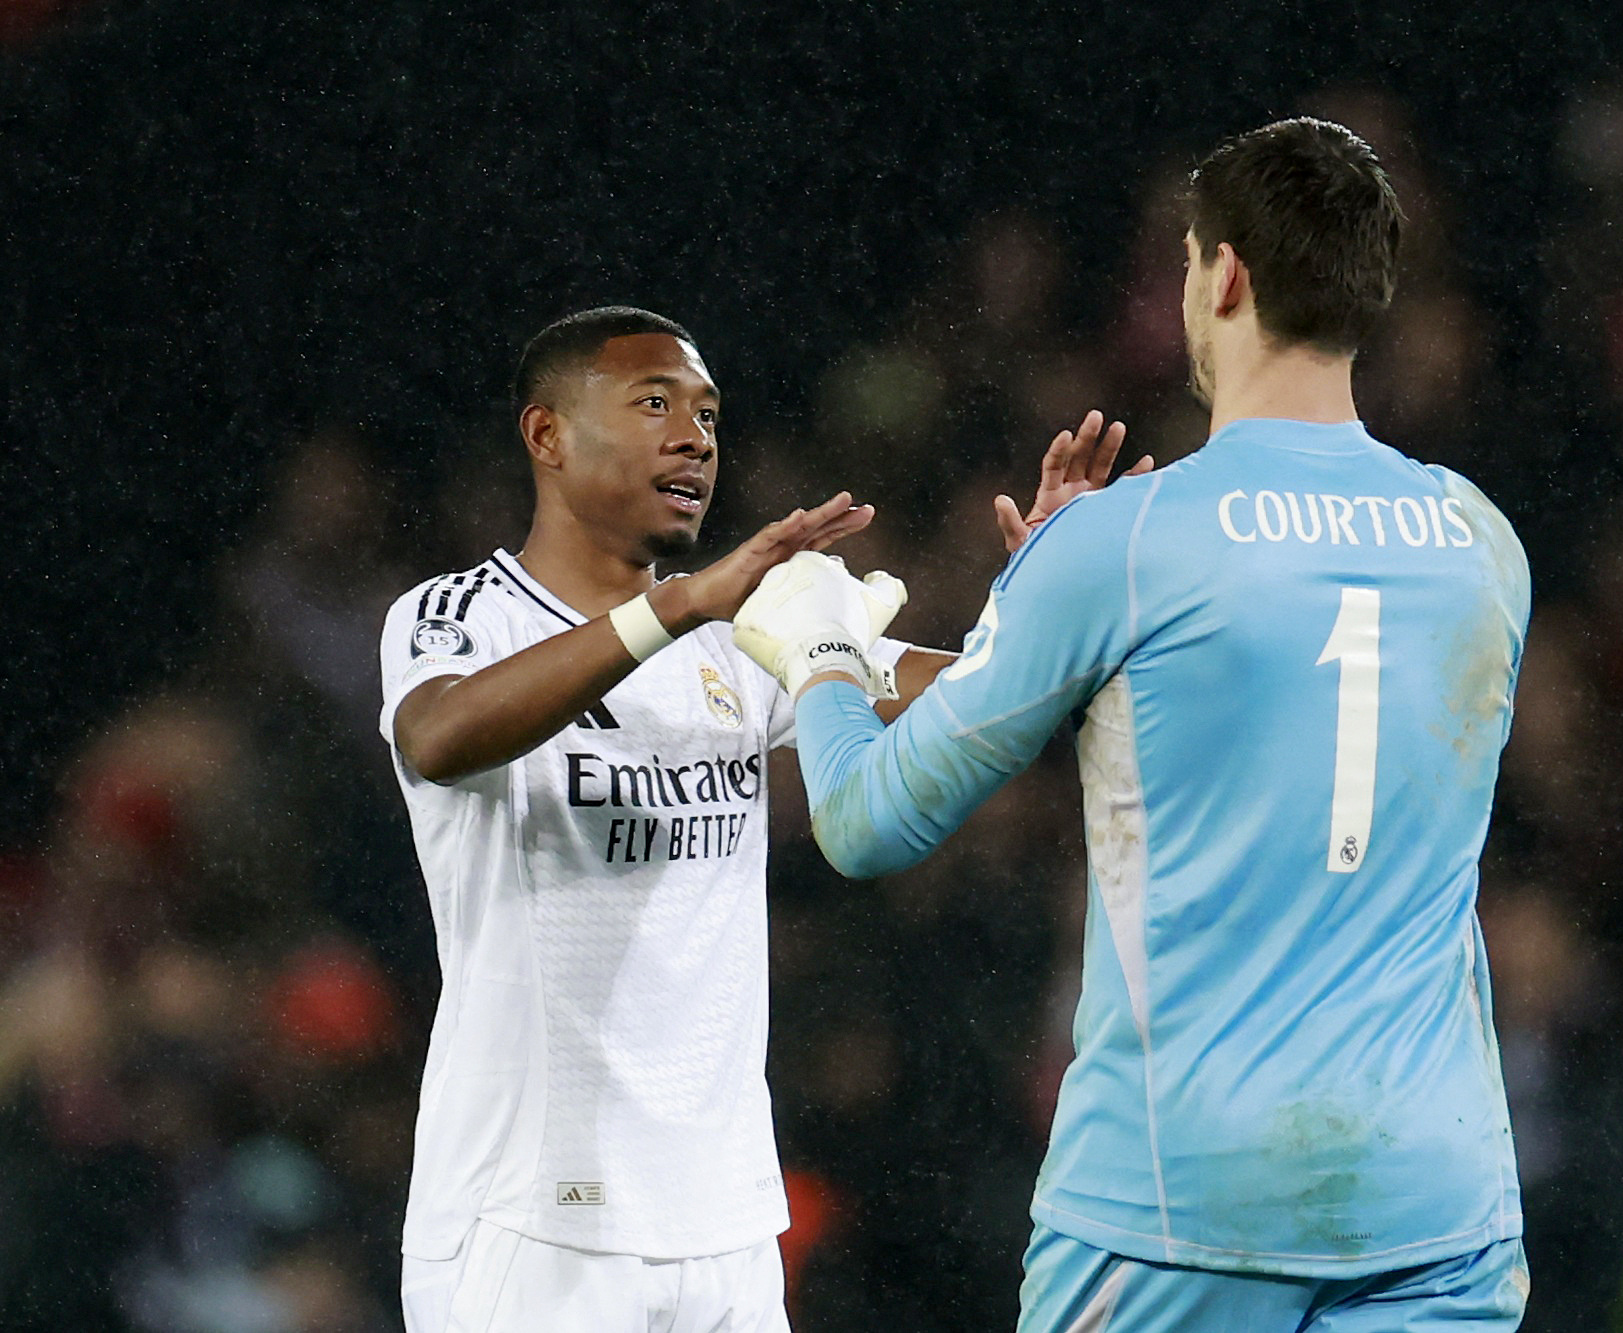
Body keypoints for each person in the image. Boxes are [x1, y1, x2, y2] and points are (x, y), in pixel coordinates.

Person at [733, 119, 1534, 1331]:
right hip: (1437, 1206)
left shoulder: (1130, 540)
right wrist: (1051, 615)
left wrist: (823, 646)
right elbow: (1285, 721)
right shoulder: (1483, 540)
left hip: (1180, 1209)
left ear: (1223, 276)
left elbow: (865, 819)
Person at [377, 305, 1137, 1332]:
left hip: (725, 1229)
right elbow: (440, 735)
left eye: (709, 413)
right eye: (655, 403)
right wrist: (680, 606)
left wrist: (1050, 588)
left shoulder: (742, 634)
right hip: (533, 1224)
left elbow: (984, 692)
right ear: (546, 434)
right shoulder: (463, 614)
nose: (695, 436)